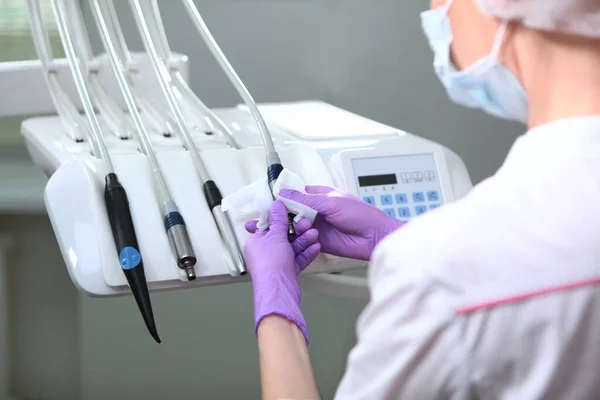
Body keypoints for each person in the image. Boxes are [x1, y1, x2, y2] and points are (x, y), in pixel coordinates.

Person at [244, 0, 600, 398]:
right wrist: (397, 237)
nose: (438, 12)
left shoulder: (439, 274)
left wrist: (277, 308)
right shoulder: (445, 264)